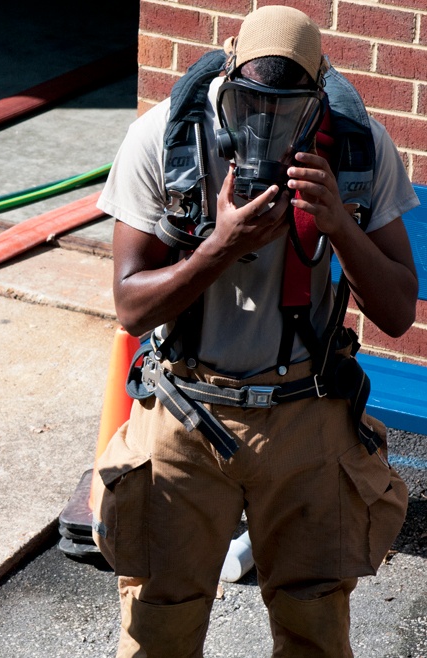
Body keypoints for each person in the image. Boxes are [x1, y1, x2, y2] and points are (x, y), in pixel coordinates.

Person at [90, 6, 416, 656]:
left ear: (317, 97)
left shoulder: (356, 146)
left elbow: (398, 311)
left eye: (286, 110)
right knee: (158, 626)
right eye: (248, 104)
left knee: (314, 630)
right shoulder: (164, 137)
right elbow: (131, 307)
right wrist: (218, 247)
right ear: (226, 81)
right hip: (185, 412)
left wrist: (339, 225)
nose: (263, 125)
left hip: (305, 416)